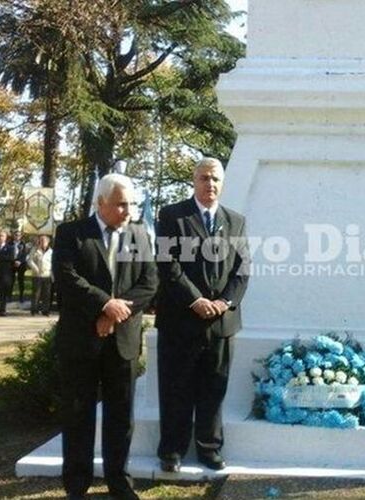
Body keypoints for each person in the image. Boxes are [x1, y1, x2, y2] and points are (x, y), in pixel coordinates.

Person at [52, 173, 157, 500]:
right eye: (121, 204)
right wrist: (103, 306)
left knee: (120, 416)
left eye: (131, 204)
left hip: (122, 342)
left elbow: (150, 282)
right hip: (81, 340)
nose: (128, 210)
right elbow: (67, 279)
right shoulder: (72, 233)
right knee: (78, 413)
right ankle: (77, 484)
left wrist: (115, 314)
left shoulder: (140, 235)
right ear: (101, 203)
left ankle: (119, 480)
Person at [155, 157, 250, 474]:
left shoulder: (235, 221)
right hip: (181, 320)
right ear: (194, 181)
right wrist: (195, 300)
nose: (210, 184)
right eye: (204, 178)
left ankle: (209, 449)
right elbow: (168, 265)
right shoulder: (172, 216)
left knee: (214, 389)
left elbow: (242, 270)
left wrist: (224, 302)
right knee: (176, 388)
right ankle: (172, 450)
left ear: (222, 183)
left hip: (221, 323)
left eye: (215, 179)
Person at [27, 234, 53, 316]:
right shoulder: (34, 250)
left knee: (47, 294)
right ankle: (34, 309)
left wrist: (52, 274)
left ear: (48, 242)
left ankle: (45, 310)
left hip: (47, 275)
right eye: (41, 240)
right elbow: (29, 260)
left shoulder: (51, 251)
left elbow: (53, 263)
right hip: (37, 275)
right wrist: (35, 268)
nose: (42, 242)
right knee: (36, 294)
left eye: (44, 241)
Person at [12, 230, 29, 304]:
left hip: (21, 264)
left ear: (21, 236)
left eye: (18, 235)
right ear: (14, 235)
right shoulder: (10, 243)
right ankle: (9, 296)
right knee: (11, 281)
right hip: (12, 264)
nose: (17, 236)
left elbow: (25, 254)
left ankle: (21, 296)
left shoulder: (23, 244)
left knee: (20, 281)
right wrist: (13, 261)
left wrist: (20, 261)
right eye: (16, 235)